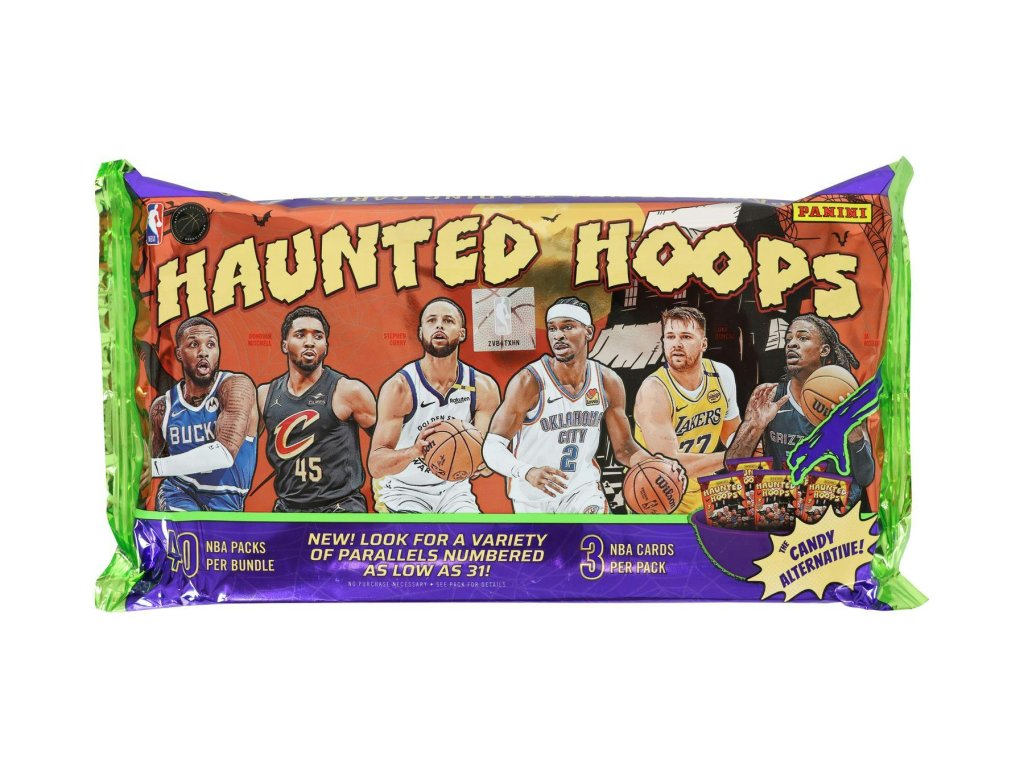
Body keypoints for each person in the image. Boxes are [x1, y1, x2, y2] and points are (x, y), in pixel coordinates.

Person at [483, 297, 684, 513]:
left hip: (582, 491)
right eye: (552, 329)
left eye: (567, 327)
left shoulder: (607, 381)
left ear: (588, 332)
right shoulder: (529, 381)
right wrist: (527, 471)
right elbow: (492, 447)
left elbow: (624, 448)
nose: (558, 335)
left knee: (595, 533)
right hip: (532, 497)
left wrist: (659, 465)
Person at [726, 314, 874, 508]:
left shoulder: (845, 397)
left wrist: (855, 437)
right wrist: (755, 426)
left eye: (803, 338)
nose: (791, 344)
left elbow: (865, 477)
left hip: (835, 514)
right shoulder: (769, 396)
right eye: (788, 339)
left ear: (824, 350)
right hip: (786, 510)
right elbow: (733, 468)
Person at [368, 298, 499, 513]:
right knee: (420, 533)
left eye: (448, 320)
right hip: (402, 491)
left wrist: (484, 462)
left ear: (462, 333)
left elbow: (484, 456)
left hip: (453, 491)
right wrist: (415, 451)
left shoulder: (483, 387)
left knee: (473, 533)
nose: (439, 326)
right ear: (421, 333)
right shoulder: (400, 387)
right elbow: (376, 465)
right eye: (431, 321)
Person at [258, 306, 376, 512]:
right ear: (284, 345)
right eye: (300, 335)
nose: (310, 342)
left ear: (325, 346)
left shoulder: (349, 391)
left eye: (318, 336)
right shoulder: (264, 394)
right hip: (288, 508)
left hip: (341, 507)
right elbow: (242, 450)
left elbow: (389, 443)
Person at [633, 306, 740, 514]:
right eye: (670, 337)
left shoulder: (721, 375)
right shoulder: (653, 390)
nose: (676, 344)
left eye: (686, 337)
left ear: (704, 344)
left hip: (701, 489)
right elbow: (669, 466)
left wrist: (752, 443)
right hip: (659, 495)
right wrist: (732, 457)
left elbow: (730, 432)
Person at [150, 317, 257, 511]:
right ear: (179, 353)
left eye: (211, 344)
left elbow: (223, 454)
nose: (203, 352)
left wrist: (155, 467)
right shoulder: (163, 407)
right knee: (187, 525)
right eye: (193, 344)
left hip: (228, 502)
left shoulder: (237, 387)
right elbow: (147, 462)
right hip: (179, 491)